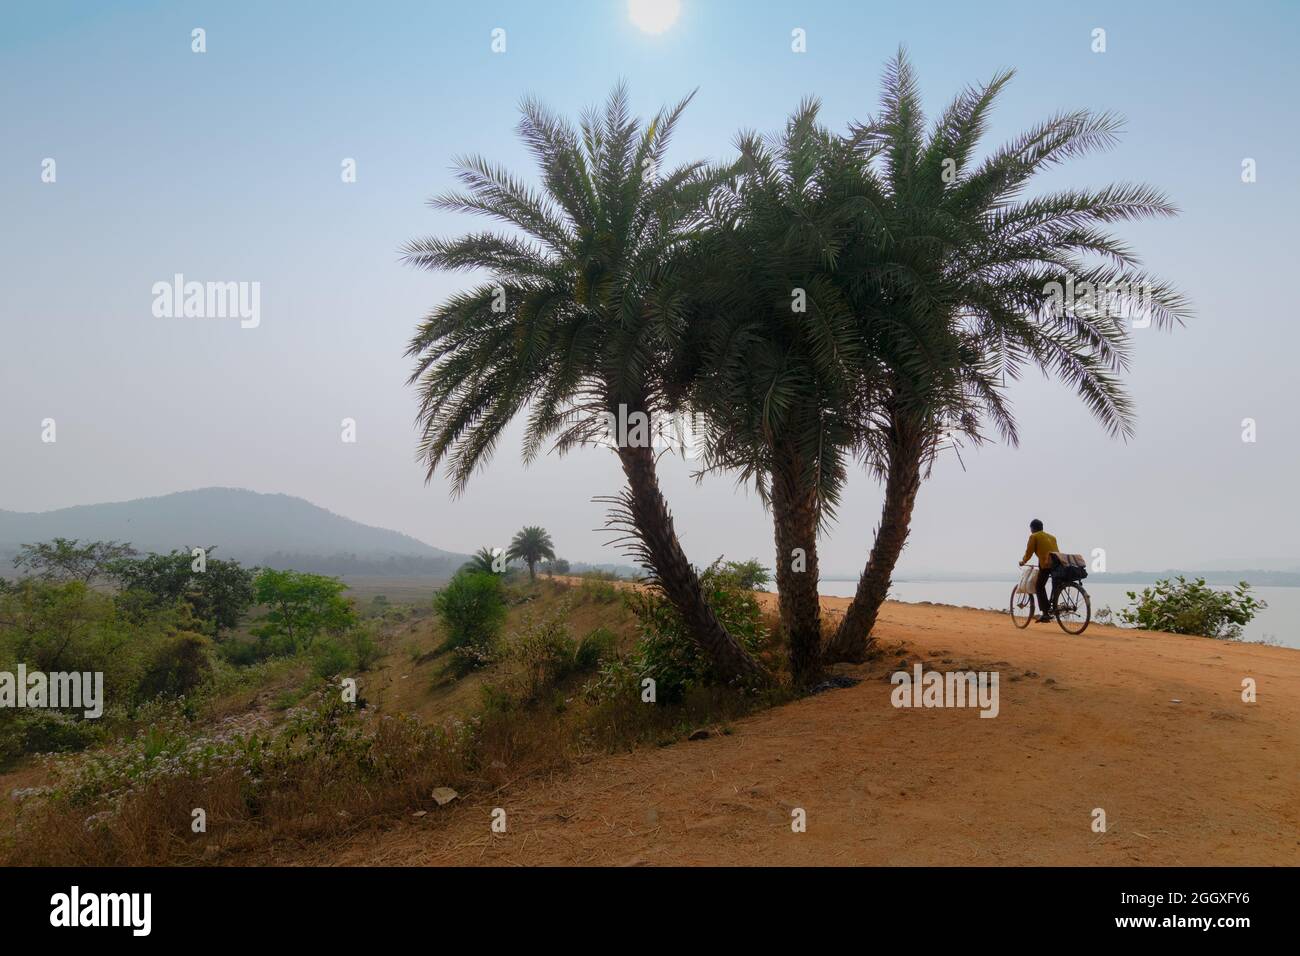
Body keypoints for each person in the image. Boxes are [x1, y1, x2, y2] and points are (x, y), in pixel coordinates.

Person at [1019, 518, 1060, 623]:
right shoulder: (1052, 537)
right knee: (1056, 586)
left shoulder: (1034, 536)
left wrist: (1023, 561)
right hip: (1058, 564)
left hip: (1046, 564)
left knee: (1039, 586)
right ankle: (1054, 605)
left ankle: (1045, 613)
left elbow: (1029, 552)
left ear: (1032, 528)